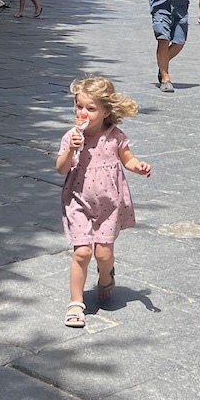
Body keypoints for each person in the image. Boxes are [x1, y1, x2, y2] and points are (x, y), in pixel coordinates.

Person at [56, 75, 151, 328]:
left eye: (90, 108)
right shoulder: (72, 137)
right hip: (78, 200)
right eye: (79, 106)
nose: (83, 113)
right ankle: (76, 302)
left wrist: (138, 166)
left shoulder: (115, 136)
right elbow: (61, 168)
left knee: (104, 253)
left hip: (109, 204)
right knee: (83, 251)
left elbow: (127, 158)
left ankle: (106, 276)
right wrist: (70, 150)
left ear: (105, 111)